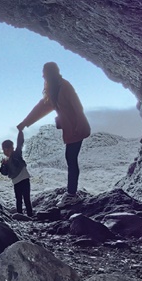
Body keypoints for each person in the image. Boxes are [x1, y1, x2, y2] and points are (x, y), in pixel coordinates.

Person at [17, 61, 90, 206]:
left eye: (45, 72)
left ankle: (72, 194)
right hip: (71, 129)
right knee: (71, 159)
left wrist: (79, 127)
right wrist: (25, 122)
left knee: (71, 159)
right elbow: (42, 107)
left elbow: (78, 107)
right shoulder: (54, 88)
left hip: (76, 129)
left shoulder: (65, 87)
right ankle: (71, 192)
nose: (43, 75)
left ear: (51, 73)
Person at [2, 131, 32, 217]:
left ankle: (30, 215)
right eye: (4, 149)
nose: (6, 151)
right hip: (16, 182)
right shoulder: (6, 161)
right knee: (18, 199)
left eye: (8, 148)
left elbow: (20, 143)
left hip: (24, 180)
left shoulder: (17, 154)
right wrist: (4, 165)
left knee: (26, 199)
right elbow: (4, 172)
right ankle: (19, 215)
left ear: (11, 148)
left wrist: (20, 132)